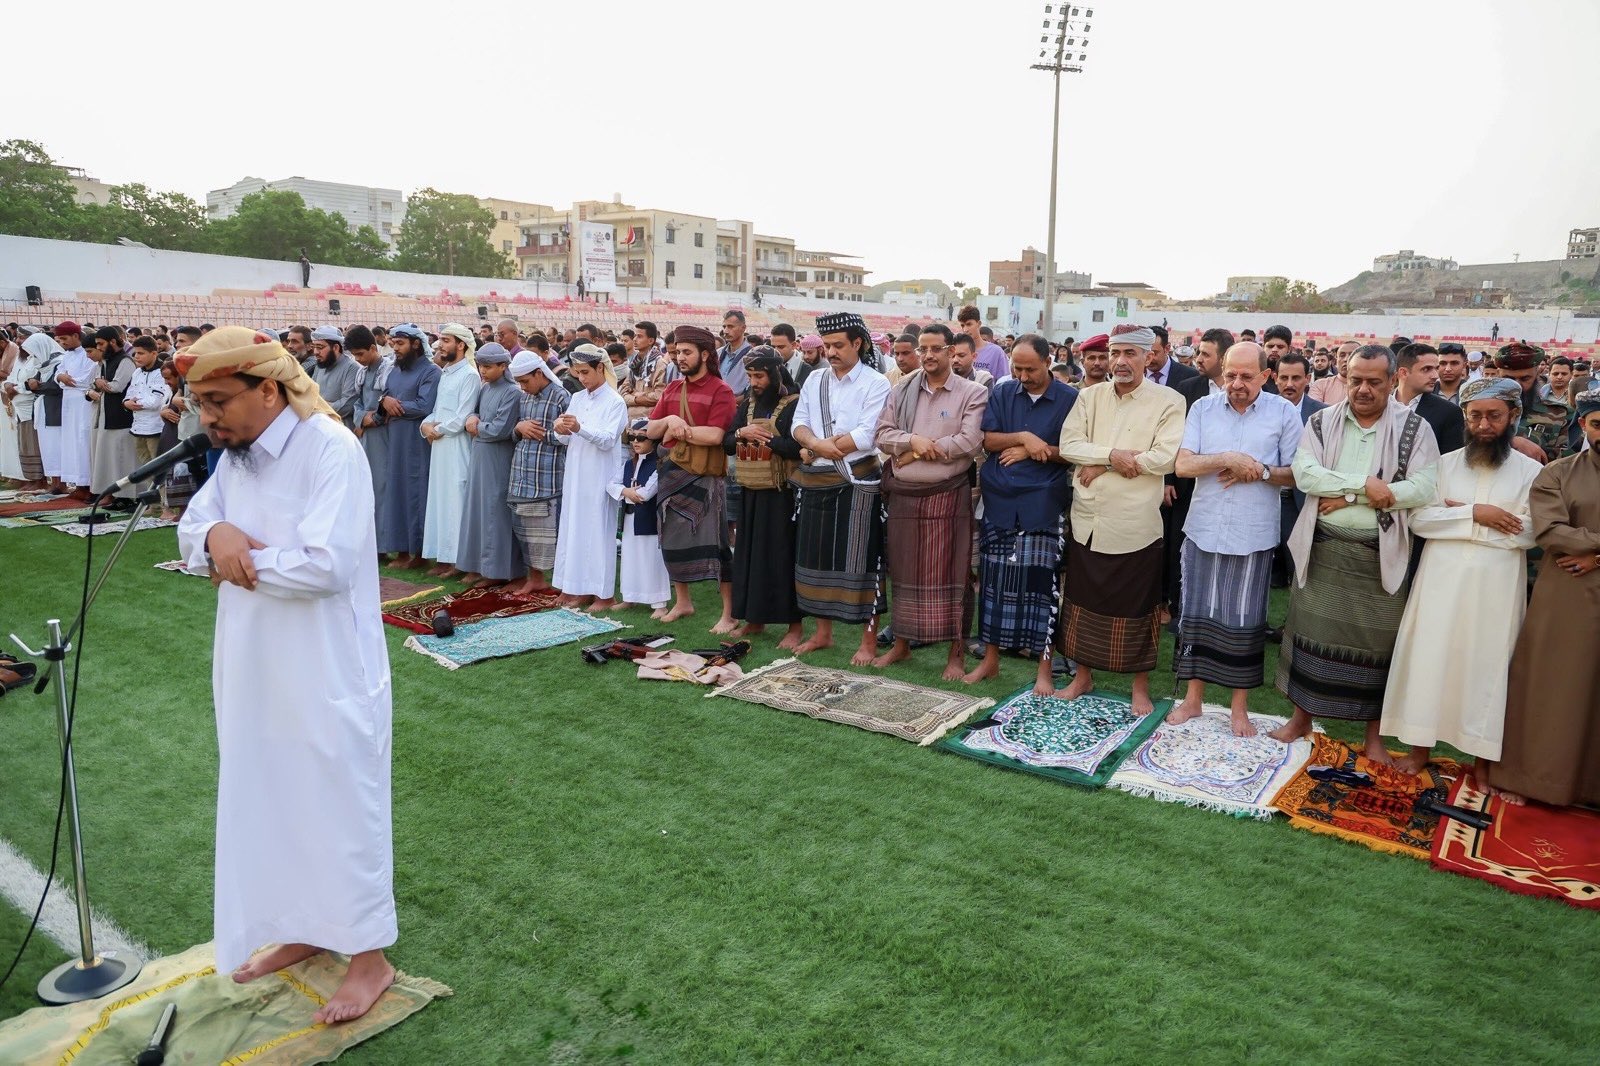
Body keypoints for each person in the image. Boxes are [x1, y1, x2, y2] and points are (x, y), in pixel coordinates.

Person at [175, 327, 395, 1025]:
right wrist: (216, 539)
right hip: (251, 661)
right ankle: (302, 928)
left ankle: (369, 959)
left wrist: (241, 562)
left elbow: (327, 565)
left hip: (327, 664)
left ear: (267, 389)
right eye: (200, 403)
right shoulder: (236, 457)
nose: (207, 417)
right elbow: (192, 528)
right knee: (270, 796)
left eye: (218, 400)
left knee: (340, 807)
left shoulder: (330, 447)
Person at [1271, 345, 1441, 759]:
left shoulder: (1415, 429)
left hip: (1379, 555)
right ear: (1344, 378)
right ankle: (1301, 718)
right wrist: (1365, 487)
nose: (1363, 389)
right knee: (1310, 637)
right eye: (1355, 380)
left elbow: (1422, 489)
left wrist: (1347, 497)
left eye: (1374, 382)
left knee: (1378, 649)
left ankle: (1373, 738)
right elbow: (1307, 477)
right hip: (1323, 548)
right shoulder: (1320, 421)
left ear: (1392, 381)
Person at [1378, 378, 1541, 778]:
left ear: (1513, 417)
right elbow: (1419, 519)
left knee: (1488, 666)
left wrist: (1461, 515)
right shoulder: (1444, 465)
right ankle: (1419, 750)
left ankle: (1484, 762)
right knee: (1431, 658)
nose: (1485, 425)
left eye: (1494, 416)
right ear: (1465, 418)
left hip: (1498, 585)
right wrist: (1476, 514)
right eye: (1476, 416)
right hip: (1440, 580)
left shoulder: (1533, 472)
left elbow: (1532, 531)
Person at [1166, 343, 1302, 736]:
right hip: (1204, 527)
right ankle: (1193, 700)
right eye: (1230, 375)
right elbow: (1184, 464)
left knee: (1244, 621)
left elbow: (1296, 473)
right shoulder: (1203, 409)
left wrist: (1258, 471)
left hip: (1252, 532)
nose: (1237, 384)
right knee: (1197, 616)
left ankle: (1238, 708)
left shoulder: (1284, 412)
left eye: (1246, 376)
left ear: (1266, 376)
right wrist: (1227, 458)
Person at [1056, 327, 1185, 714]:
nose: (1121, 361)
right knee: (1081, 602)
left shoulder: (1169, 401)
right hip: (1088, 519)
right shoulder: (1089, 396)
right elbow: (1068, 446)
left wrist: (1101, 465)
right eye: (1115, 353)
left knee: (1137, 608)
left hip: (1135, 524)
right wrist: (1112, 457)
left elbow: (1164, 458)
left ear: (1149, 357)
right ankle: (1083, 675)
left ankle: (1139, 687)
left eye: (1131, 353)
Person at [1491, 389, 1600, 806]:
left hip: (1583, 574)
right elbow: (1552, 532)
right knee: (1557, 687)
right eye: (1596, 424)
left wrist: (1595, 554)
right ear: (1583, 425)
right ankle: (1536, 781)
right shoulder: (1558, 473)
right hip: (1568, 596)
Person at [872, 323, 989, 680]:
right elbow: (882, 434)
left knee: (952, 574)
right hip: (905, 498)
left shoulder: (973, 392)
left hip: (948, 495)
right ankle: (902, 644)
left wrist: (920, 450)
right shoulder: (903, 389)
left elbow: (969, 442)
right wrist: (913, 442)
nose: (928, 356)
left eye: (936, 348)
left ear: (952, 350)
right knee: (904, 573)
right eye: (923, 349)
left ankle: (955, 654)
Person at [966, 335, 1077, 692]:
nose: (1024, 375)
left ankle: (1044, 670)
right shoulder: (1002, 391)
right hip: (999, 501)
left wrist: (1034, 450)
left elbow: (1074, 451)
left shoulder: (1070, 399)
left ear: (1049, 361)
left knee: (1041, 589)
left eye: (1031, 368)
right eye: (1018, 367)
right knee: (993, 585)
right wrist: (1023, 438)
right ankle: (990, 660)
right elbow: (988, 440)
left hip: (1042, 503)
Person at [789, 311, 893, 664]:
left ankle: (867, 641)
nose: (831, 352)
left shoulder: (876, 383)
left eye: (838, 345)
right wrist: (818, 446)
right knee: (814, 556)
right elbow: (798, 424)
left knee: (862, 561)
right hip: (816, 478)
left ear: (857, 344)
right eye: (827, 345)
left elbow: (869, 433)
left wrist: (829, 446)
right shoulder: (815, 379)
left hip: (858, 481)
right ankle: (823, 634)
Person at [644, 326, 738, 628]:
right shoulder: (672, 389)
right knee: (670, 540)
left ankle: (729, 614)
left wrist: (675, 429)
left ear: (705, 354)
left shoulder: (720, 390)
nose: (680, 358)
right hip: (672, 472)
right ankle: (683, 603)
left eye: (687, 352)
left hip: (706, 477)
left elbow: (715, 435)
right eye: (677, 352)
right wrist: (671, 420)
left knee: (717, 546)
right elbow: (650, 431)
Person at [723, 347, 804, 645]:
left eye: (760, 376)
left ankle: (794, 627)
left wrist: (767, 439)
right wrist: (743, 433)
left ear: (773, 374)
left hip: (782, 496)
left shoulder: (794, 404)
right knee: (750, 559)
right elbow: (727, 443)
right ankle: (753, 620)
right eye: (751, 376)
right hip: (751, 492)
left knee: (783, 559)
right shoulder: (747, 405)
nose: (754, 382)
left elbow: (798, 448)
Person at [551, 344, 627, 609]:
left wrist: (580, 427)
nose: (581, 378)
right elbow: (562, 438)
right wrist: (560, 428)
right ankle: (579, 589)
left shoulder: (616, 402)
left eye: (585, 372)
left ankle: (604, 595)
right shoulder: (578, 398)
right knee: (575, 530)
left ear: (600, 368)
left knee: (598, 532)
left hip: (600, 476)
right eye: (578, 373)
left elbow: (607, 440)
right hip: (576, 474)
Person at [453, 343, 523, 588]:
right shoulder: (485, 389)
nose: (483, 371)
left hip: (498, 459)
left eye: (488, 366)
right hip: (481, 456)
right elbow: (474, 414)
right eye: (481, 365)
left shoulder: (513, 392)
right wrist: (473, 419)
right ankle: (480, 566)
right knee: (478, 510)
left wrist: (476, 427)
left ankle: (498, 570)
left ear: (503, 366)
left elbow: (500, 429)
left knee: (495, 512)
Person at [505, 351, 570, 597]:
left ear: (539, 373)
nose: (522, 386)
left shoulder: (561, 397)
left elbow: (570, 437)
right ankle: (535, 580)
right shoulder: (525, 397)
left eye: (525, 381)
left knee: (549, 534)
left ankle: (559, 582)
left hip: (548, 476)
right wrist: (519, 428)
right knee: (524, 531)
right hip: (521, 474)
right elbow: (515, 432)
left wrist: (544, 435)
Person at [420, 324, 482, 580]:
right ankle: (444, 557)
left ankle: (459, 560)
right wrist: (425, 425)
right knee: (440, 500)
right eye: (440, 340)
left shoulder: (469, 375)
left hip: (456, 447)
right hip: (440, 444)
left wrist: (437, 429)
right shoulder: (446, 373)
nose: (440, 345)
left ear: (461, 345)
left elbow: (462, 416)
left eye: (446, 340)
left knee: (455, 501)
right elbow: (438, 409)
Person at [376, 325, 441, 569]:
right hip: (395, 442)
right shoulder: (394, 371)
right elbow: (383, 400)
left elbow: (425, 406)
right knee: (397, 493)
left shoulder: (431, 372)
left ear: (415, 344)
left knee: (416, 493)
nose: (395, 348)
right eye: (393, 344)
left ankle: (420, 555)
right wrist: (384, 401)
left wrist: (395, 405)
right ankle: (401, 551)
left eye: (400, 344)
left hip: (417, 443)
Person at [608, 419, 671, 613]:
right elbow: (610, 485)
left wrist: (625, 492)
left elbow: (646, 494)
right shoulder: (628, 464)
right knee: (630, 559)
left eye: (641, 438)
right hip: (629, 518)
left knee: (652, 559)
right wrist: (627, 492)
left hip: (650, 519)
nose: (635, 442)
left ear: (653, 439)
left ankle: (659, 603)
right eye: (632, 437)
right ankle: (630, 597)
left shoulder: (659, 464)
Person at [1495, 342, 1579, 462]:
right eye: (1509, 379)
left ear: (1537, 374)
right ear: (1498, 375)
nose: (1517, 386)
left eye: (1525, 379)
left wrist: (1536, 450)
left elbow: (1572, 458)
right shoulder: (1480, 411)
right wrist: (1510, 442)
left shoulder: (1563, 414)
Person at [86, 326, 138, 509]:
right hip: (106, 417)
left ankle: (127, 497)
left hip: (121, 418)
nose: (99, 348)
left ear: (113, 342)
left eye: (101, 343)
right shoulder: (108, 361)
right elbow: (94, 381)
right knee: (111, 459)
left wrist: (100, 383)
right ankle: (116, 495)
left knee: (123, 458)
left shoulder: (125, 361)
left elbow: (117, 387)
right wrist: (97, 382)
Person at [1394, 343, 1466, 455]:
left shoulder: (1449, 412)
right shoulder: (1380, 404)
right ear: (1403, 372)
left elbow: (1450, 461)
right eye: (1426, 369)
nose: (1435, 375)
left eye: (1436, 368)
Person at [123, 336, 171, 488]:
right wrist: (126, 402)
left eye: (141, 353)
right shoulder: (137, 373)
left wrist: (134, 403)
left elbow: (155, 401)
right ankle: (153, 504)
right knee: (146, 467)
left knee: (160, 467)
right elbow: (129, 394)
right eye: (135, 353)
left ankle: (166, 506)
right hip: (138, 427)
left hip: (155, 428)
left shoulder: (161, 373)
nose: (137, 356)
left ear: (154, 354)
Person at [4, 330, 50, 489]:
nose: (19, 341)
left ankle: (39, 480)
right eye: (18, 337)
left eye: (23, 338)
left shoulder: (38, 358)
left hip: (31, 406)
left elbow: (35, 383)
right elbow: (11, 377)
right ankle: (30, 478)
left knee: (33, 444)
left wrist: (16, 389)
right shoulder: (21, 358)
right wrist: (8, 385)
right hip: (18, 407)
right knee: (23, 444)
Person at [53, 322, 95, 498]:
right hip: (69, 402)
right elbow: (59, 374)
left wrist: (66, 379)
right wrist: (60, 377)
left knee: (82, 440)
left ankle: (87, 485)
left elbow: (86, 379)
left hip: (83, 401)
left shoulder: (88, 354)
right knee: (70, 441)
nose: (62, 342)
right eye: (60, 339)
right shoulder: (67, 355)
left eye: (64, 338)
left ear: (76, 336)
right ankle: (77, 483)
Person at [309, 326, 361, 427]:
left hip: (342, 429)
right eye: (314, 347)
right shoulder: (320, 365)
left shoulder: (352, 368)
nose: (315, 352)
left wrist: (318, 407)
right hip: (319, 425)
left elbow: (347, 406)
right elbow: (311, 394)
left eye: (320, 347)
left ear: (336, 348)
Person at [957, 305, 1010, 380]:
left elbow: (1003, 383)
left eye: (969, 324)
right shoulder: (956, 351)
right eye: (962, 325)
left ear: (978, 324)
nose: (965, 329)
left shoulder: (996, 352)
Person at [1145, 325, 1197, 389]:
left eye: (1154, 353)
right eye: (1145, 353)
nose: (1149, 359)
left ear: (1167, 348)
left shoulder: (1190, 376)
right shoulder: (1134, 374)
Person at [1309, 340, 1358, 405]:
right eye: (1342, 355)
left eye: (1352, 355)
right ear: (1336, 360)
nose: (1346, 359)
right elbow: (1314, 411)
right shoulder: (1320, 385)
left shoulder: (1371, 388)